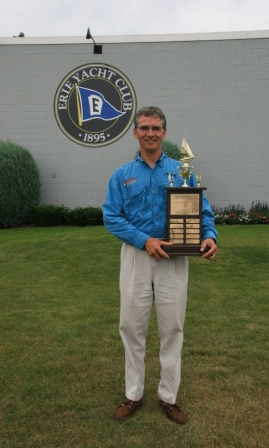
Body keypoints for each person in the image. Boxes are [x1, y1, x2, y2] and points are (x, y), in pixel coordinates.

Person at [103, 106, 218, 424]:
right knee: (131, 327)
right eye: (144, 128)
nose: (150, 133)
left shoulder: (183, 171)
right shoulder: (122, 174)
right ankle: (133, 394)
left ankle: (168, 398)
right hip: (137, 257)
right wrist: (144, 240)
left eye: (156, 128)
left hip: (175, 259)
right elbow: (111, 216)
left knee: (172, 328)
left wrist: (209, 236)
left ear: (164, 132)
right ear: (135, 132)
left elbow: (203, 211)